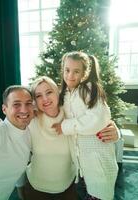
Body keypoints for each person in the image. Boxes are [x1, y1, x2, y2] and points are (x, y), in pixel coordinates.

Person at [0, 76, 120, 200]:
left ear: (57, 92)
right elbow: (11, 125)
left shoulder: (71, 116)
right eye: (38, 95)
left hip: (68, 186)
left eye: (49, 92)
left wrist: (116, 132)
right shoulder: (30, 119)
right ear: (34, 101)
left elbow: (96, 119)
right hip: (36, 187)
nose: (45, 99)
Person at [52, 51, 118, 200]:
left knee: (100, 190)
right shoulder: (65, 93)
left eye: (76, 71)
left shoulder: (89, 89)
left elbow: (97, 118)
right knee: (86, 188)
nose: (70, 75)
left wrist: (65, 127)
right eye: (67, 70)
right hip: (82, 159)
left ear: (85, 73)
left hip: (98, 155)